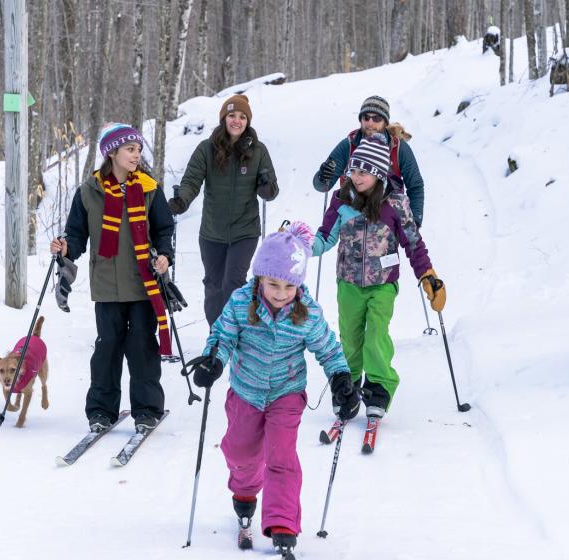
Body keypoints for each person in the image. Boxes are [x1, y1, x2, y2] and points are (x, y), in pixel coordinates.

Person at [185, 222, 358, 555]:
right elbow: (222, 336)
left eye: (289, 286)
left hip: (286, 392)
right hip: (245, 390)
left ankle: (283, 522)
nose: (281, 293)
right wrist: (214, 361)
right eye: (273, 284)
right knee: (240, 453)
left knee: (281, 456)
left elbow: (328, 347)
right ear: (259, 279)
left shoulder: (306, 313)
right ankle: (245, 492)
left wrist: (340, 378)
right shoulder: (240, 303)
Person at [50, 123, 175, 433]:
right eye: (130, 149)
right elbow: (77, 235)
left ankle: (146, 409)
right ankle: (101, 411)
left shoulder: (148, 188)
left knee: (142, 346)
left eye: (138, 150)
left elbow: (163, 229)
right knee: (107, 348)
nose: (137, 155)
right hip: (106, 285)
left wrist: (164, 255)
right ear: (112, 153)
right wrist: (66, 246)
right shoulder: (89, 192)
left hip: (143, 282)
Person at [311, 137, 446, 420]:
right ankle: (347, 386)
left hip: (383, 283)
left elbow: (413, 243)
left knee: (375, 335)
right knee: (349, 338)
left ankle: (379, 387)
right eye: (353, 171)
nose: (356, 177)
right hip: (348, 282)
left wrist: (427, 275)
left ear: (379, 173)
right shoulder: (341, 200)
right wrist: (298, 246)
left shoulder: (395, 204)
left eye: (363, 172)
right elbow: (325, 238)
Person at [168, 94, 279, 327]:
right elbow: (191, 181)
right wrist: (181, 201)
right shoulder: (206, 149)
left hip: (245, 230)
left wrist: (266, 186)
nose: (236, 121)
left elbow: (271, 190)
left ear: (247, 121)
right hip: (212, 232)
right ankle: (216, 335)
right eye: (231, 116)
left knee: (233, 284)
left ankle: (234, 333)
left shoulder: (258, 151)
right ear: (223, 119)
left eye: (242, 117)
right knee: (213, 285)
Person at [311, 95, 427, 226]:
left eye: (377, 118)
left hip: (388, 221)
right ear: (360, 120)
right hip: (352, 220)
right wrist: (323, 176)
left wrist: (415, 222)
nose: (370, 123)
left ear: (385, 122)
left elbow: (415, 185)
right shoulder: (348, 146)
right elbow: (322, 186)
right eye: (366, 117)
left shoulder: (399, 149)